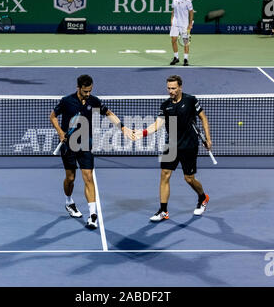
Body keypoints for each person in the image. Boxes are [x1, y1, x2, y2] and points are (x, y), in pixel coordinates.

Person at [50, 75, 135, 229]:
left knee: (88, 177)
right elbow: (53, 116)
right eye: (85, 91)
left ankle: (92, 215)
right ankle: (69, 202)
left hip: (85, 145)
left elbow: (108, 113)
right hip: (68, 146)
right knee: (70, 178)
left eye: (90, 91)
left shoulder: (93, 101)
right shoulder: (66, 101)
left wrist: (122, 127)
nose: (87, 94)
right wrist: (60, 132)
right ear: (78, 88)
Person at [135, 75, 212, 222]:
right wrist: (143, 133)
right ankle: (163, 211)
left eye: (173, 88)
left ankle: (203, 197)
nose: (171, 91)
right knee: (164, 174)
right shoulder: (165, 106)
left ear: (180, 87)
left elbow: (203, 117)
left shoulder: (190, 100)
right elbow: (157, 124)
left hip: (189, 145)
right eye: (169, 88)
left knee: (189, 179)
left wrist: (208, 139)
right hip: (171, 144)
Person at [169, 0, 194, 66]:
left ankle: (186, 59)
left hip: (184, 24)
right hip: (175, 23)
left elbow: (191, 12)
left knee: (185, 41)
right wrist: (172, 19)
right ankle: (176, 57)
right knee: (173, 39)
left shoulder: (188, 1)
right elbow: (173, 10)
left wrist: (190, 24)